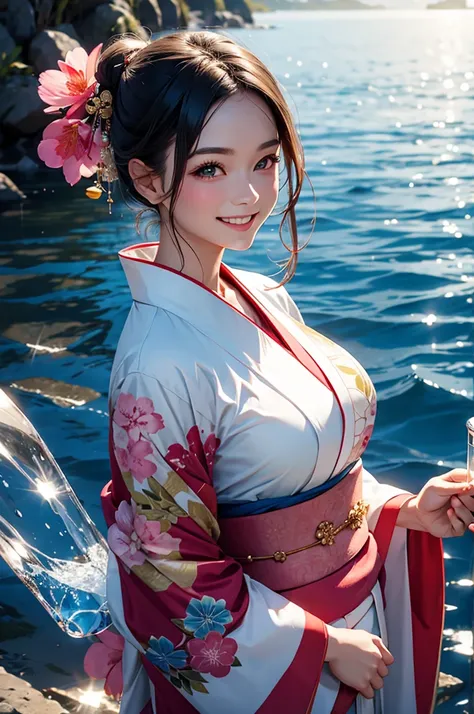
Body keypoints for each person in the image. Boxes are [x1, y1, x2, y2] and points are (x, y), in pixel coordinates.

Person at [37, 30, 474, 714]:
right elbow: (165, 563)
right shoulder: (156, 366)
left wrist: (402, 513)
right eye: (212, 168)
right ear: (149, 179)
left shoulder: (259, 293)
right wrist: (318, 646)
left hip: (352, 625)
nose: (250, 193)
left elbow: (293, 474)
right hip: (288, 657)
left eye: (265, 161)